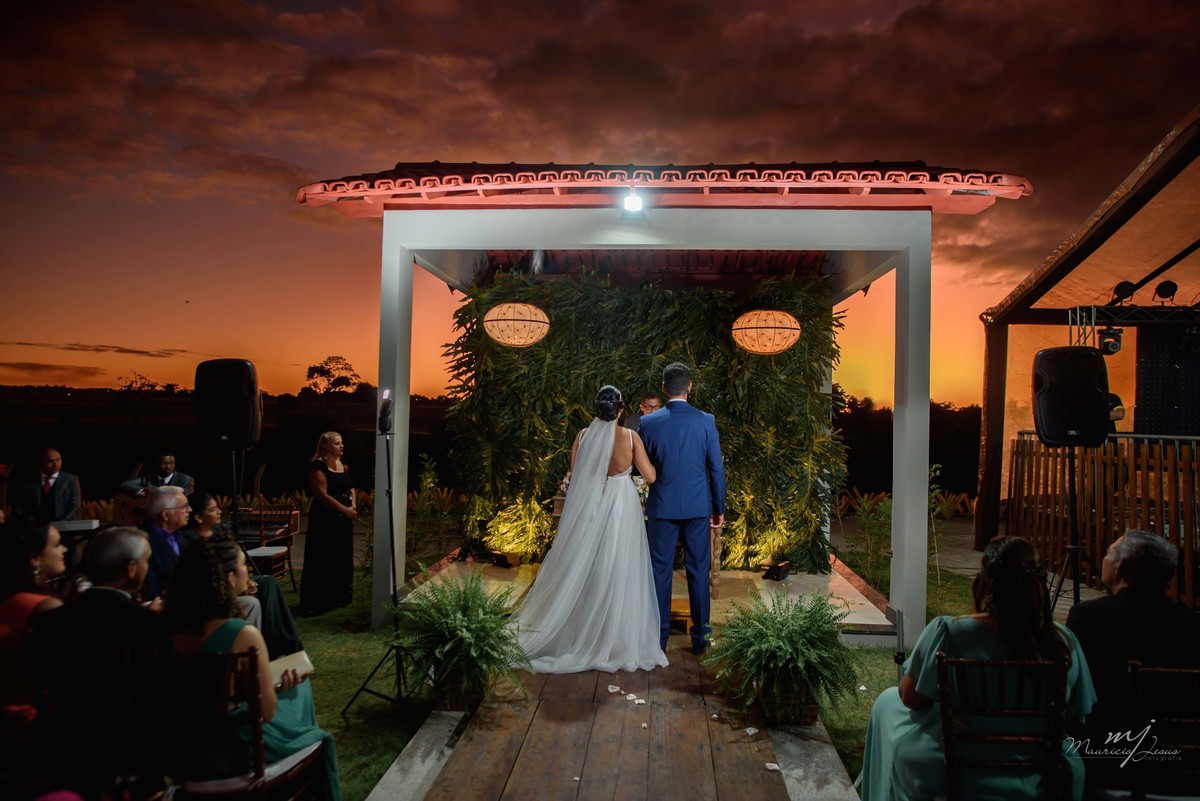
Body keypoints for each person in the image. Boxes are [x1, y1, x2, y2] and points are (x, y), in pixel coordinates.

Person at [859, 536, 1096, 801]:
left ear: (985, 581)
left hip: (952, 769)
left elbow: (910, 698)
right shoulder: (1063, 642)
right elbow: (1076, 714)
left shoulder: (949, 632)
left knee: (887, 702)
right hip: (1042, 776)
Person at [166, 539, 341, 800]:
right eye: (243, 565)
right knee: (301, 690)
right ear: (228, 579)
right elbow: (266, 712)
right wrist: (278, 684)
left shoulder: (165, 631)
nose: (247, 570)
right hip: (236, 751)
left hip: (184, 750)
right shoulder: (242, 634)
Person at [513, 386, 667, 673]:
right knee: (618, 566)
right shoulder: (630, 437)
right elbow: (651, 476)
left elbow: (577, 475)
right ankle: (615, 634)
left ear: (596, 407)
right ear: (621, 410)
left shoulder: (583, 436)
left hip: (591, 505)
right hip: (621, 507)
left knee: (588, 564)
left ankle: (583, 628)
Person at [32, 527, 170, 799]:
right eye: (146, 561)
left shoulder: (50, 623)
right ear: (131, 569)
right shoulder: (147, 625)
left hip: (69, 751)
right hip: (137, 756)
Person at [1066, 529, 1200, 788]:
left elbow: (1079, 692)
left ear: (1121, 567)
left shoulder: (1089, 617)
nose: (1104, 559)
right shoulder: (1192, 624)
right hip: (1180, 757)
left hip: (1108, 756)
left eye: (1108, 553)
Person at [638, 362, 726, 654]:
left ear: (664, 388)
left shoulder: (649, 423)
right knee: (699, 571)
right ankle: (700, 639)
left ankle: (658, 639)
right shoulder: (706, 421)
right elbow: (716, 469)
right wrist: (718, 507)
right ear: (690, 386)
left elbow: (644, 468)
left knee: (659, 572)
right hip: (697, 507)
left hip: (662, 507)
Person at [185, 491, 304, 658]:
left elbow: (237, 560)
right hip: (218, 588)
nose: (219, 511)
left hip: (236, 580)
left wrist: (247, 581)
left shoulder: (219, 530)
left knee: (268, 583)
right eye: (212, 509)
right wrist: (238, 587)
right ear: (198, 517)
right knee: (259, 593)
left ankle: (287, 644)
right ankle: (274, 649)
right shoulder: (189, 540)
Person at [0, 518, 67, 786]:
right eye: (57, 544)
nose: (64, 550)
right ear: (34, 559)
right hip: (35, 727)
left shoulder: (8, 599)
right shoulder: (44, 608)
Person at [141, 487, 262, 628]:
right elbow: (150, 591)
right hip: (177, 607)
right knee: (250, 604)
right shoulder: (146, 543)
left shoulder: (178, 537)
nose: (190, 510)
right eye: (184, 507)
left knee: (250, 602)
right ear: (166, 515)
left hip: (198, 598)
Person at [300, 432, 356, 615]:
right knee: (325, 555)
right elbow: (322, 495)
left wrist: (353, 505)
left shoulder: (343, 464)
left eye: (342, 443)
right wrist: (344, 509)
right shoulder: (318, 467)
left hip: (343, 518)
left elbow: (351, 487)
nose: (342, 446)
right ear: (326, 446)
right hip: (325, 518)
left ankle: (341, 595)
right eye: (337, 443)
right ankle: (321, 600)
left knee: (342, 554)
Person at [12, 449, 80, 525]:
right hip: (33, 527)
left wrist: (62, 523)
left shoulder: (71, 480)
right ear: (41, 463)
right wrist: (27, 522)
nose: (55, 464)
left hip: (63, 526)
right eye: (50, 461)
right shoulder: (28, 481)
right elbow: (19, 506)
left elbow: (75, 506)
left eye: (58, 460)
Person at [118, 452, 195, 497]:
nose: (168, 467)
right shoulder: (148, 477)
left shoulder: (186, 480)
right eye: (164, 463)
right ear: (157, 464)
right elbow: (124, 485)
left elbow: (184, 498)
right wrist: (144, 490)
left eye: (171, 463)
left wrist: (157, 492)